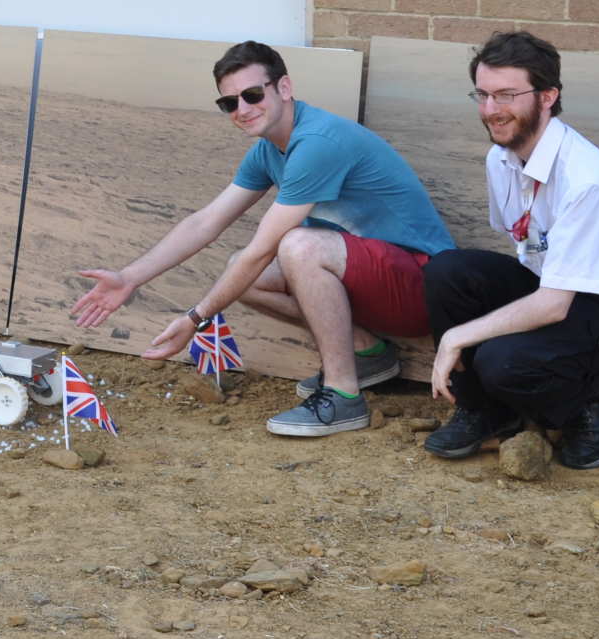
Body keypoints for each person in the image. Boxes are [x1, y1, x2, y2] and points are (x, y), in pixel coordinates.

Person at [72, 39, 455, 436]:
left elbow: (263, 249)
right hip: (372, 283)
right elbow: (205, 222)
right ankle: (366, 354)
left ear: (284, 88)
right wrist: (130, 277)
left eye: (252, 95)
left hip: (423, 289)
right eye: (229, 103)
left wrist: (195, 319)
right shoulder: (268, 150)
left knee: (295, 246)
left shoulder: (317, 143)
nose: (242, 109)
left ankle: (343, 397)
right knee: (242, 271)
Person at [422, 31, 599, 469]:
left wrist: (458, 337)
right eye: (482, 94)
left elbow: (554, 306)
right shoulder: (500, 157)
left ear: (548, 96)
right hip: (549, 284)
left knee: (502, 362)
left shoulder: (584, 178)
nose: (490, 111)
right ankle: (483, 410)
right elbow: (522, 243)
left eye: (506, 95)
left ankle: (595, 395)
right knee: (447, 271)